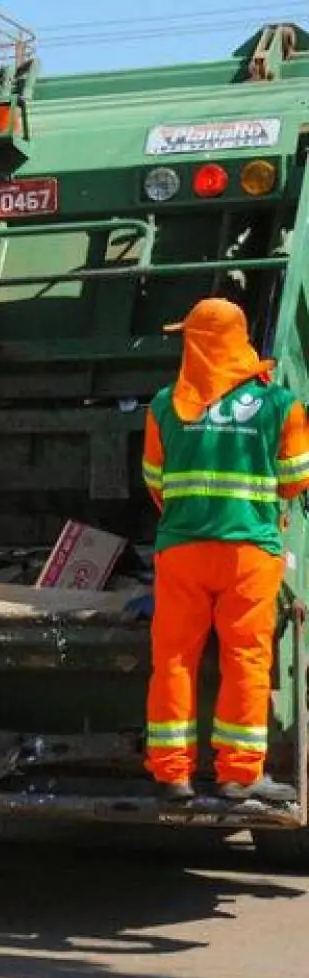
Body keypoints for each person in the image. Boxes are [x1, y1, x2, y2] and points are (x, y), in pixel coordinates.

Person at [141, 297, 309, 805]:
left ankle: (173, 773)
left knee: (173, 659)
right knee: (247, 659)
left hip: (182, 551)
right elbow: (296, 481)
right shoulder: (282, 406)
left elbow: (155, 484)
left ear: (195, 344)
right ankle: (239, 774)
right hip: (249, 554)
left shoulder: (163, 405)